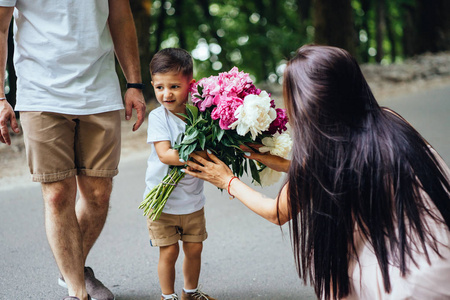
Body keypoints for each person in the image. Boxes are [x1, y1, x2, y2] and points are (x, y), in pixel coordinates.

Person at [182, 45, 450, 300]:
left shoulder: (329, 152)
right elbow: (344, 172)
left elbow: (278, 212)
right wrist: (286, 164)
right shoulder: (389, 119)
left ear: (309, 101)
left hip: (409, 284)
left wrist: (227, 180)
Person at [0, 1, 146, 300]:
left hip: (100, 88)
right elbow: (1, 26)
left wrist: (133, 82)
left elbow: (121, 16)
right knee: (56, 194)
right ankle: (78, 292)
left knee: (98, 195)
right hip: (40, 91)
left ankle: (72, 271)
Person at [144, 48, 215, 300]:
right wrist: (201, 155)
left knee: (195, 248)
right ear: (152, 85)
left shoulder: (201, 115)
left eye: (174, 86)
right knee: (169, 251)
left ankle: (190, 293)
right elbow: (165, 154)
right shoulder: (158, 117)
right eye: (160, 87)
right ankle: (168, 296)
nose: (167, 94)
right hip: (162, 201)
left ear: (190, 84)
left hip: (192, 201)